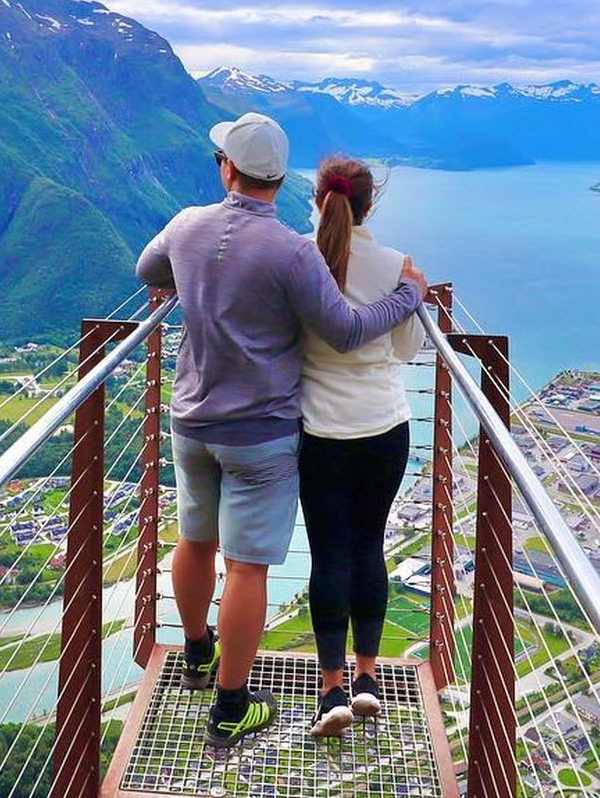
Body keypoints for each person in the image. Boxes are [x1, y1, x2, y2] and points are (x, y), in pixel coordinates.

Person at [137, 112, 428, 748]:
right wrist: (409, 296)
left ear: (228, 168)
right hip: (263, 430)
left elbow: (147, 271)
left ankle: (195, 653)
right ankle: (232, 704)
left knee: (193, 539)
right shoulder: (293, 252)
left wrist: (185, 280)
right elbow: (347, 332)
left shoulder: (187, 225)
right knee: (247, 567)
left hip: (191, 417)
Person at [295, 156, 421, 737]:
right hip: (386, 427)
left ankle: (331, 691)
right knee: (371, 547)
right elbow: (404, 351)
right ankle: (369, 677)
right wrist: (406, 292)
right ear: (371, 205)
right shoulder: (397, 266)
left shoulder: (298, 257)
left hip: (320, 431)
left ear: (319, 198)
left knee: (329, 554)